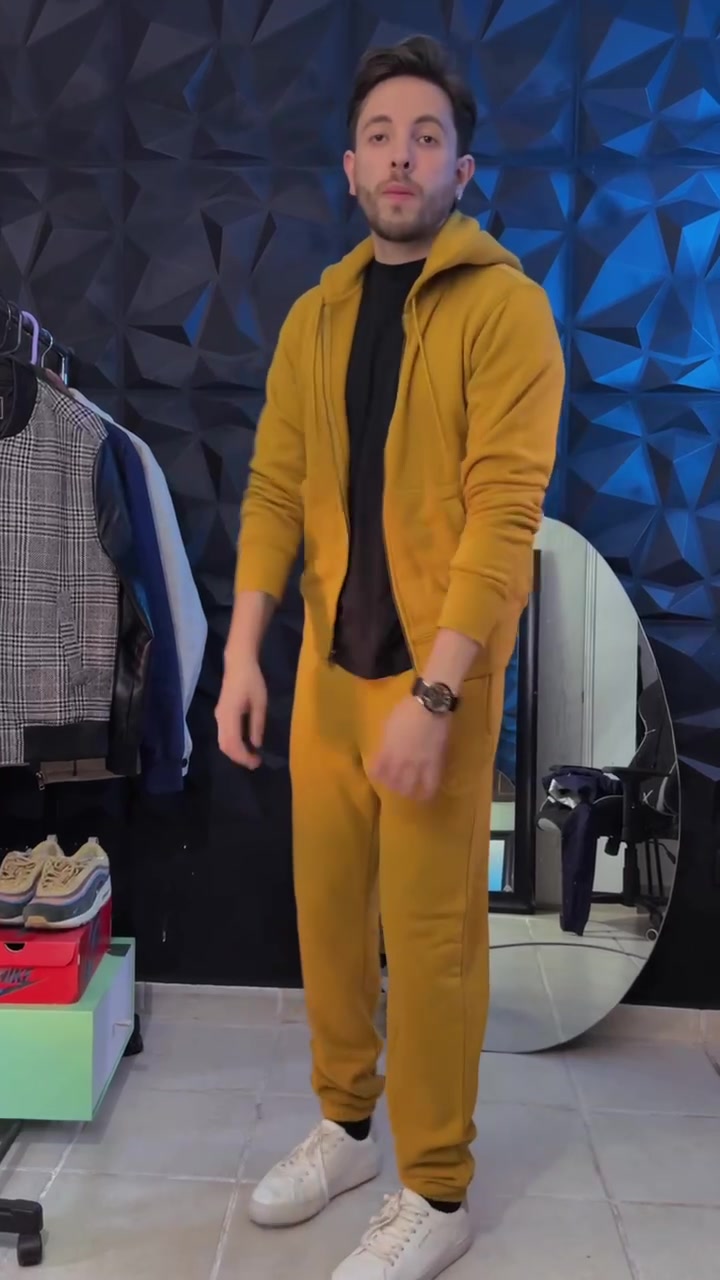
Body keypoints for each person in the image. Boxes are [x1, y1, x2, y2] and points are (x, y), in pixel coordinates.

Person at [215, 33, 565, 1280]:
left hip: (436, 684)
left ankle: (439, 1186)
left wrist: (439, 688)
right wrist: (243, 654)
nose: (401, 155)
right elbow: (272, 489)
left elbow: (504, 517)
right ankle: (349, 1128)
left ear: (461, 169)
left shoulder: (506, 310)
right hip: (326, 678)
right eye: (380, 136)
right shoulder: (314, 317)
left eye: (426, 136)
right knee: (328, 922)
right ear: (350, 168)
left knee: (430, 946)